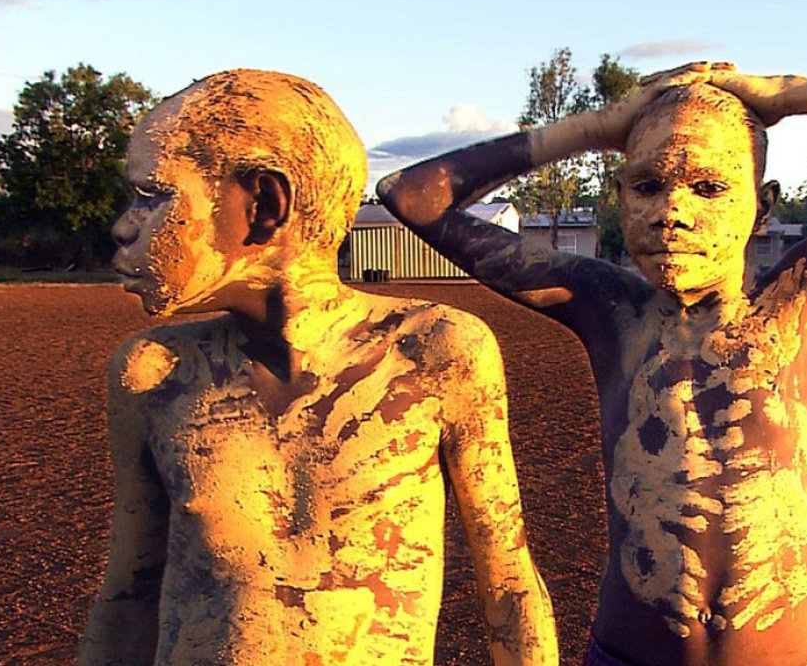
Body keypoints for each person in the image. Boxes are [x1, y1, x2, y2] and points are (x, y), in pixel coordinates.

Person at [377, 64, 807, 666]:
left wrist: (790, 94)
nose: (672, 213)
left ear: (766, 205)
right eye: (646, 186)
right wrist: (601, 125)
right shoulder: (607, 308)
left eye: (708, 187)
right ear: (620, 199)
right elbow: (411, 195)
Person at [79, 69, 557, 666]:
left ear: (264, 202)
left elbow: (509, 588)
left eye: (154, 195)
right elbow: (128, 596)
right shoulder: (153, 374)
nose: (125, 225)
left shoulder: (435, 352)